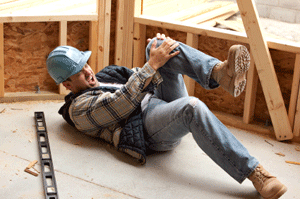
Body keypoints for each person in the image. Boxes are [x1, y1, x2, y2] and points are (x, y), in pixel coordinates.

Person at [46, 33, 287, 199]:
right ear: (67, 85)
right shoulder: (80, 109)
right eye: (79, 72)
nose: (88, 71)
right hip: (147, 128)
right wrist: (152, 65)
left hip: (156, 101)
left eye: (85, 64)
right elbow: (122, 103)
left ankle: (220, 74)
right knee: (191, 107)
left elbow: (139, 76)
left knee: (159, 46)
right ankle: (255, 174)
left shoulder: (104, 75)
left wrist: (157, 53)